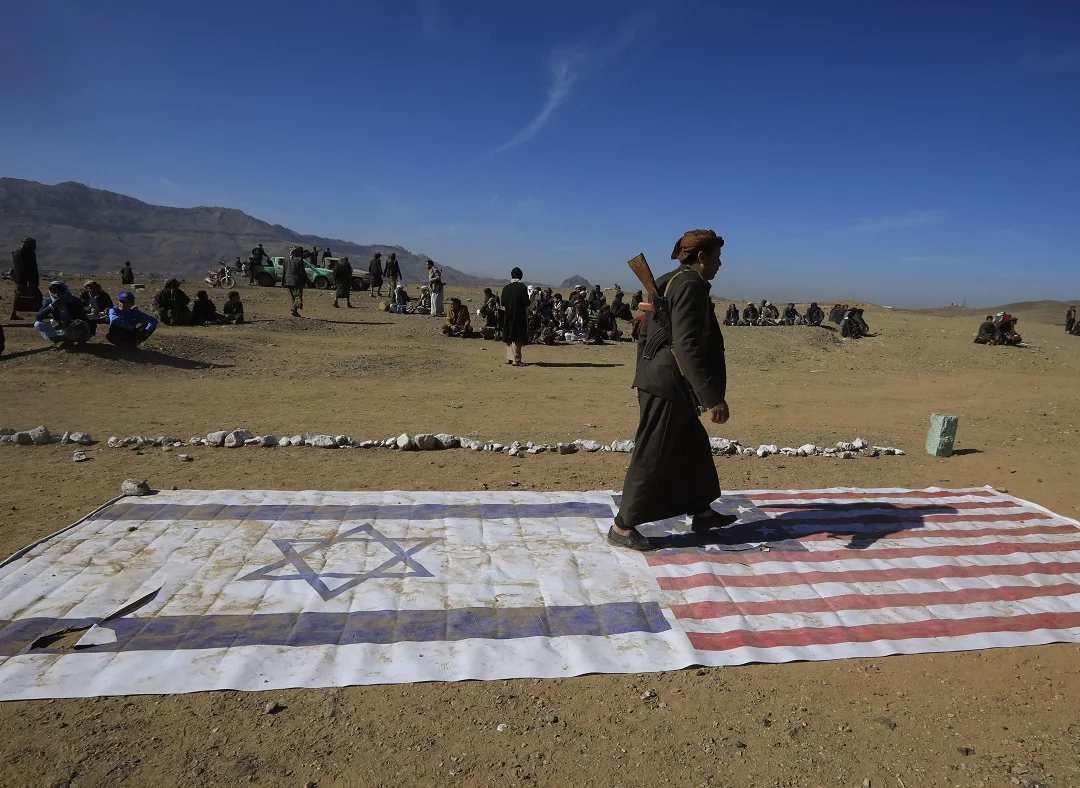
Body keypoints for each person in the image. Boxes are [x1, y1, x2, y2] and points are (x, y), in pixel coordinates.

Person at [610, 229, 735, 551]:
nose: (720, 263)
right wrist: (712, 398)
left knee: (692, 446)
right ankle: (622, 527)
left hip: (660, 378)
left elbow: (645, 332)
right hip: (667, 382)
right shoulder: (690, 285)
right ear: (703, 256)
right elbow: (687, 344)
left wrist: (640, 375)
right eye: (717, 257)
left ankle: (702, 512)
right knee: (652, 454)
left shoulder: (668, 280)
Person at [34, 281, 94, 347]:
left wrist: (63, 324)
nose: (57, 294)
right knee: (38, 324)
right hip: (61, 328)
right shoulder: (49, 301)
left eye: (60, 291)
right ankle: (61, 339)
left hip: (75, 327)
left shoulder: (74, 301)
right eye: (54, 292)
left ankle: (74, 340)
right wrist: (51, 306)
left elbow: (80, 319)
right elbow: (38, 317)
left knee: (79, 325)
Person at [501, 266, 529, 365]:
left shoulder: (506, 288)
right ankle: (516, 360)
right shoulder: (522, 288)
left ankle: (509, 358)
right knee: (518, 336)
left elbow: (503, 303)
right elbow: (526, 302)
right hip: (519, 316)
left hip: (508, 315)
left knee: (509, 336)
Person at [9, 237, 42, 320]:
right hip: (24, 279)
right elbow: (23, 269)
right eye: (33, 245)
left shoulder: (20, 252)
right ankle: (41, 314)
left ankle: (13, 314)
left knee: (19, 295)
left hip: (20, 279)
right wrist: (28, 282)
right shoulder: (24, 254)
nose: (35, 246)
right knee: (37, 295)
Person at [281, 252, 307, 317]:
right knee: (298, 297)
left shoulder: (285, 259)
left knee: (292, 297)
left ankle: (294, 311)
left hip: (287, 281)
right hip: (296, 281)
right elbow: (302, 272)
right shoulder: (299, 260)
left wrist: (282, 281)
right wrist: (306, 281)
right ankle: (293, 309)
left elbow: (284, 271)